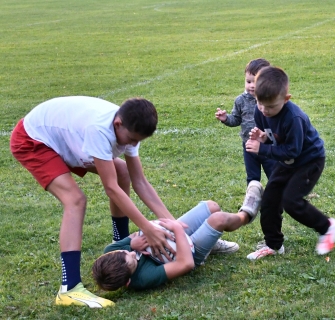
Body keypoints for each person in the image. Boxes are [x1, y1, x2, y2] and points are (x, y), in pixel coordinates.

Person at [10, 96, 181, 307]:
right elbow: (112, 189)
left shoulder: (128, 126)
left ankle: (120, 240)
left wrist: (174, 224)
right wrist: (147, 228)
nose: (133, 144)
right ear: (118, 124)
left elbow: (140, 182)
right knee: (75, 200)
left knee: (122, 172)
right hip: (34, 140)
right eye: (131, 139)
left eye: (138, 141)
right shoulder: (100, 130)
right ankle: (69, 289)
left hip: (64, 139)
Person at [92, 181, 263, 291]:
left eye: (125, 252)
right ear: (128, 281)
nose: (130, 253)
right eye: (132, 262)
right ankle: (246, 214)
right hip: (188, 253)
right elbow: (186, 264)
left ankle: (211, 243)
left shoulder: (113, 250)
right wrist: (177, 228)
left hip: (169, 235)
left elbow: (134, 236)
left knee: (212, 207)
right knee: (218, 219)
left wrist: (133, 243)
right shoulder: (143, 279)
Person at [244, 66, 335, 260]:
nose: (265, 110)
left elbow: (293, 150)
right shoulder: (260, 110)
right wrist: (264, 138)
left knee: (291, 200)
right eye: (260, 104)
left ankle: (327, 227)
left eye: (271, 107)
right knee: (270, 199)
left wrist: (262, 149)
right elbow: (275, 138)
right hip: (288, 161)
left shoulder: (294, 117)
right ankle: (273, 244)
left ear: (286, 99)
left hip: (309, 161)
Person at [215, 58, 276, 185]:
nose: (252, 85)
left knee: (274, 175)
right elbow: (236, 119)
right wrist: (226, 119)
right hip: (248, 145)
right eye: (248, 81)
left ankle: (277, 199)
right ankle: (253, 200)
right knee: (252, 177)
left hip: (267, 146)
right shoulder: (240, 101)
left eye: (256, 82)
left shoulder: (271, 101)